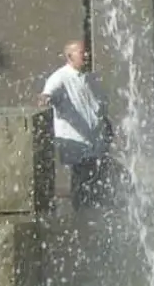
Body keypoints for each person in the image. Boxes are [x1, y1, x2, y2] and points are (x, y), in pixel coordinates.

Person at [39, 38, 108, 209]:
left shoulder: (89, 77)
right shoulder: (60, 77)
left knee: (94, 183)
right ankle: (81, 218)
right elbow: (47, 93)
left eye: (86, 52)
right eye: (82, 52)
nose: (86, 55)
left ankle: (90, 216)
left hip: (94, 142)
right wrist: (45, 99)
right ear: (69, 56)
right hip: (76, 142)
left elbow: (95, 107)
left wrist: (107, 125)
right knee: (82, 183)